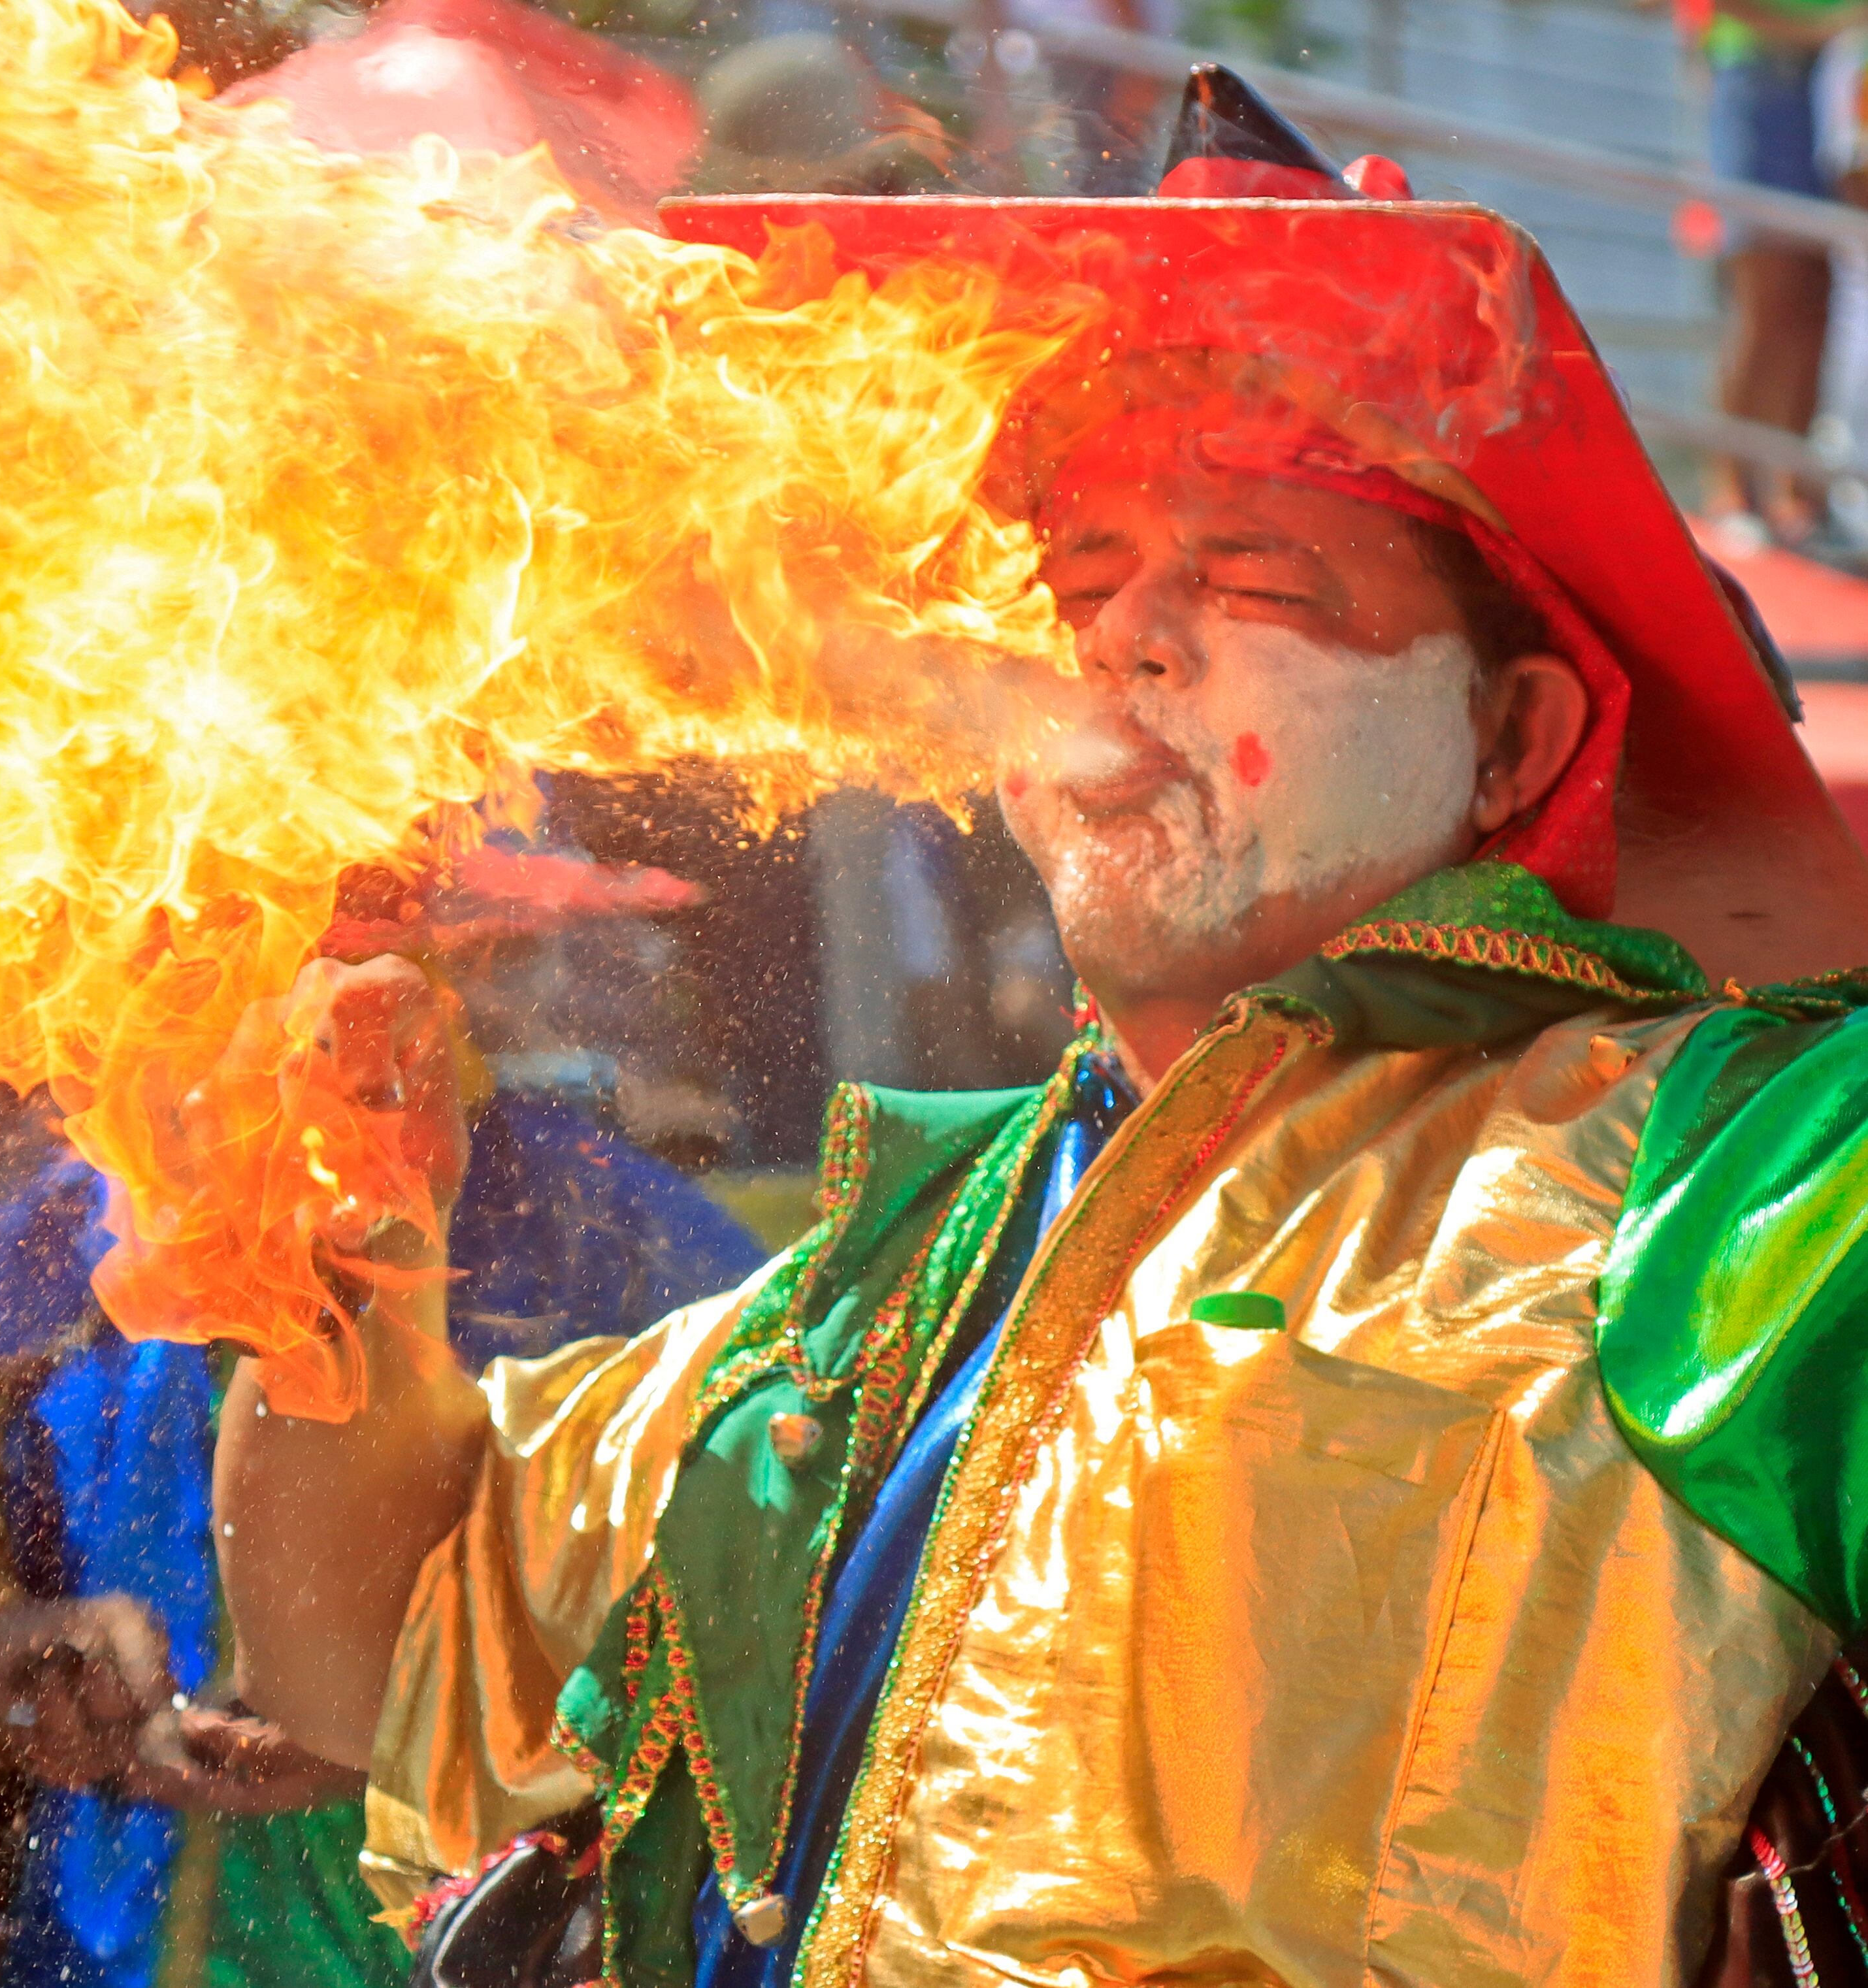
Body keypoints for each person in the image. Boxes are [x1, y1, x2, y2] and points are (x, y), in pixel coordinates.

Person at [199, 82, 1868, 1988]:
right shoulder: (849, 1297)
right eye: (1080, 586)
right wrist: (333, 1231)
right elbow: (359, 1668)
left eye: (1256, 585)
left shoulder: (1724, 1173)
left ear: (1519, 741)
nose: (1128, 645)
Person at [0, 844, 771, 1988]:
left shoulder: (633, 1258)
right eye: (235, 947)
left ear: (463, 970)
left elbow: (774, 1686)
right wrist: (15, 1672)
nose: (302, 1006)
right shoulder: (24, 1276)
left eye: (355, 962)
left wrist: (404, 1716)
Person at [1698, 0, 1850, 540]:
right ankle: (1734, 491)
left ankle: (1798, 497)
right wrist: (1819, 30)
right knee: (1767, 293)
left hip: (1835, 78)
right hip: (1765, 80)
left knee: (1817, 296)